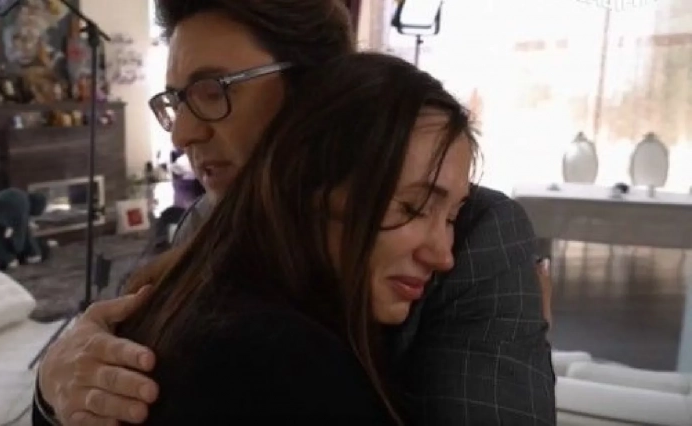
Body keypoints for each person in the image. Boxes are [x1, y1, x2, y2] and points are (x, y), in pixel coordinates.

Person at [33, 1, 556, 425]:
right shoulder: (206, 222)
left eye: (214, 91)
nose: (183, 134)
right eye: (177, 101)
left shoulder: (481, 236)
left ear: (321, 96)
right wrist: (56, 386)